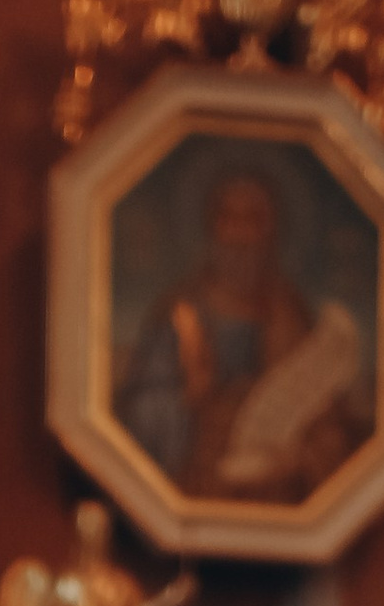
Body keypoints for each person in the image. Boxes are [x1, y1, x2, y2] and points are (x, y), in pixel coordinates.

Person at [117, 167, 370, 502]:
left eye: (253, 219)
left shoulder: (291, 313)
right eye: (229, 219)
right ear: (212, 228)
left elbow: (326, 418)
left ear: (271, 232)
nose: (240, 235)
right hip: (198, 484)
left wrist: (301, 455)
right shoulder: (180, 313)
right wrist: (190, 398)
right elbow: (140, 412)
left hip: (278, 493)